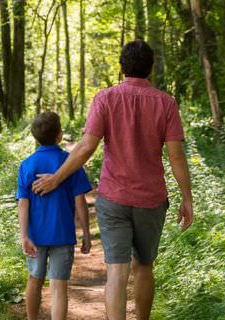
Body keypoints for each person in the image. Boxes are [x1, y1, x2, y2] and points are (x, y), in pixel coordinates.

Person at [31, 40, 194, 320]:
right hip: (150, 200)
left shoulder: (105, 98)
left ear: (121, 67)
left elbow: (86, 147)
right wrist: (187, 199)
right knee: (144, 266)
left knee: (116, 272)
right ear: (151, 68)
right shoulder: (166, 103)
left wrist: (57, 178)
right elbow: (176, 157)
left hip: (113, 198)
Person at [17, 111, 93, 320]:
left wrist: (24, 235)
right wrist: (86, 233)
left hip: (35, 237)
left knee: (34, 280)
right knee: (59, 287)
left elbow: (23, 203)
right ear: (59, 136)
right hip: (62, 234)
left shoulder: (27, 165)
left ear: (34, 136)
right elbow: (80, 201)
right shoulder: (70, 162)